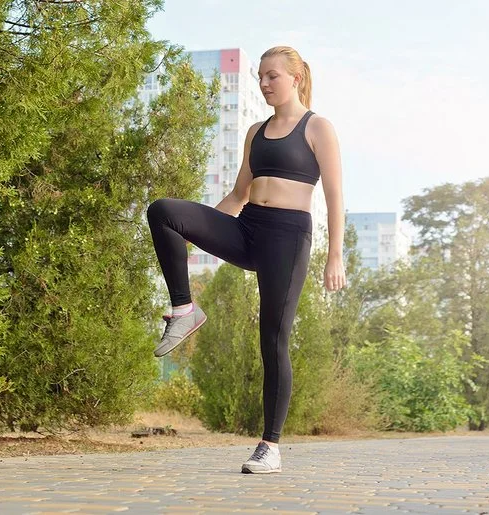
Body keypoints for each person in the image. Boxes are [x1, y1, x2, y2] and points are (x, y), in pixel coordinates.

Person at [146, 45, 346, 474]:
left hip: (287, 239)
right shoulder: (255, 131)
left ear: (295, 78)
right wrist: (197, 234)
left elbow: (334, 196)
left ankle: (269, 446)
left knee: (272, 340)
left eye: (272, 76)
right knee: (164, 212)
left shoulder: (317, 127)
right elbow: (239, 195)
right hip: (248, 226)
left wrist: (335, 256)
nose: (264, 84)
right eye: (260, 77)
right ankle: (184, 309)